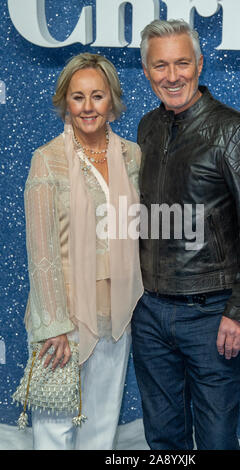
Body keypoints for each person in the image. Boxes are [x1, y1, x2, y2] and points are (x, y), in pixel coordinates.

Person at [131, 20, 240, 450]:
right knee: (163, 441)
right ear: (146, 71)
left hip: (211, 315)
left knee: (215, 441)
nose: (172, 75)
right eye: (160, 65)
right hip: (150, 314)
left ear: (199, 64)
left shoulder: (235, 131)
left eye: (182, 63)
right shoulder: (147, 129)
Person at [21, 53, 143, 450]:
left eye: (97, 96)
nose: (88, 107)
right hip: (66, 317)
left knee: (102, 425)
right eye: (78, 97)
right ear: (65, 102)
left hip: (117, 312)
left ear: (112, 101)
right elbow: (40, 251)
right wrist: (52, 324)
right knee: (55, 429)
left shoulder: (131, 155)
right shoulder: (48, 159)